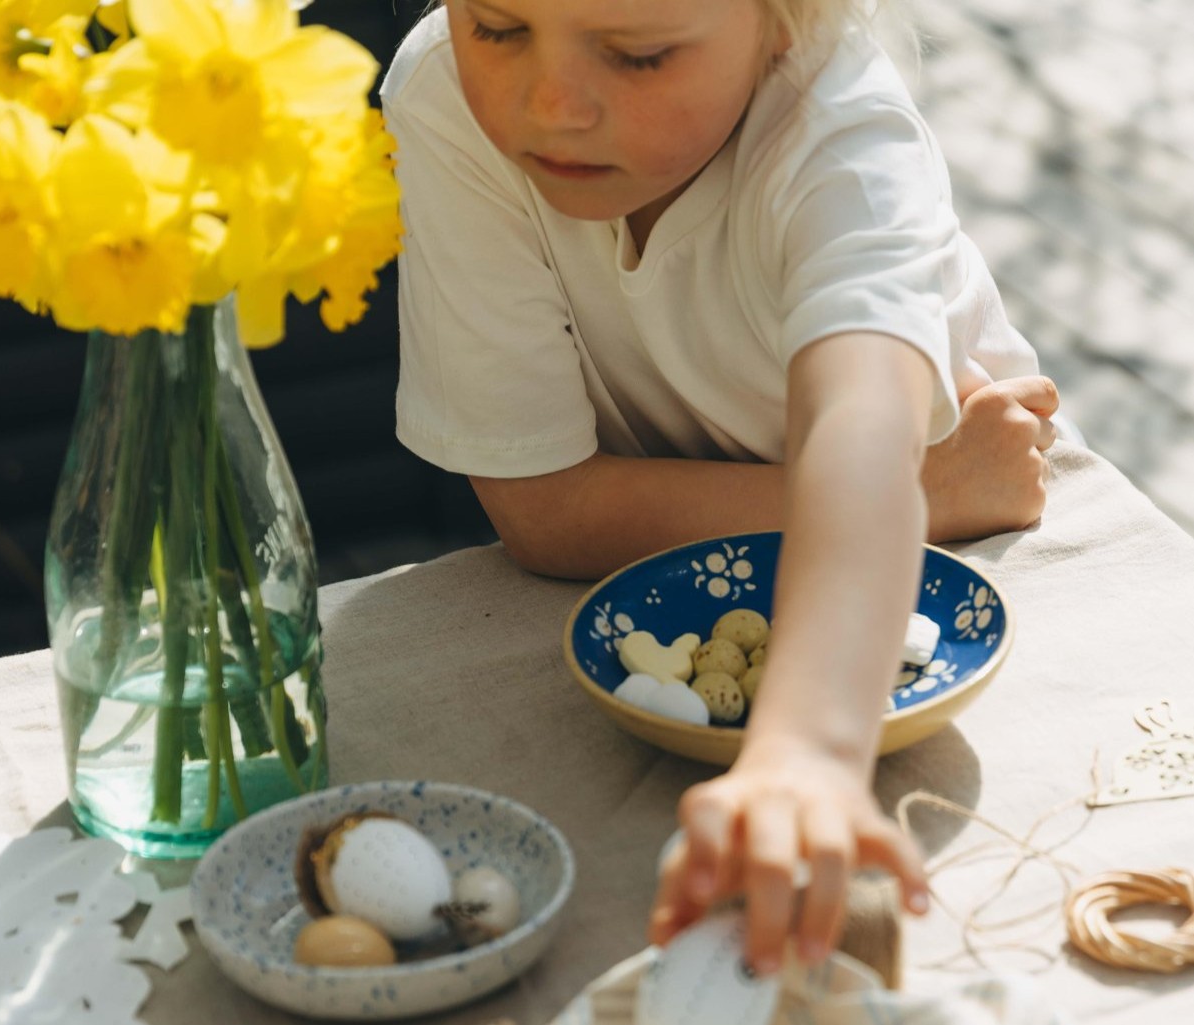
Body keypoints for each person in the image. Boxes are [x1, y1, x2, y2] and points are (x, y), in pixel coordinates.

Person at [379, 0, 1060, 977]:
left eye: (638, 54)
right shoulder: (445, 96)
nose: (552, 103)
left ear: (784, 22)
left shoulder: (841, 132)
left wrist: (815, 753)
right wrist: (939, 486)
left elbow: (857, 431)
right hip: (938, 500)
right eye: (494, 27)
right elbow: (544, 509)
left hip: (957, 575)